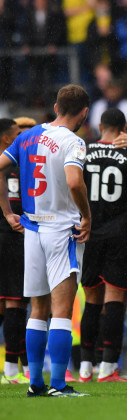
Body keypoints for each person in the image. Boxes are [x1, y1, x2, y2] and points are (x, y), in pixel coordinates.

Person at [0, 84, 91, 397]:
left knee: (37, 310)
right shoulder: (74, 142)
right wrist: (87, 215)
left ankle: (35, 384)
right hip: (60, 230)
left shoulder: (27, 136)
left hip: (32, 230)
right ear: (84, 112)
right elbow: (74, 181)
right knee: (62, 311)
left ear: (56, 107)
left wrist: (7, 211)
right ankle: (59, 385)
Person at [78, 108, 127, 383]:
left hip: (89, 232)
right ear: (123, 129)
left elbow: (71, 185)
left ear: (100, 125)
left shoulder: (82, 151)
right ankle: (107, 368)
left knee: (92, 301)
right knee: (115, 300)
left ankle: (84, 368)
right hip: (120, 232)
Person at [0, 119, 29, 385]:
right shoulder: (15, 167)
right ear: (8, 139)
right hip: (11, 238)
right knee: (14, 302)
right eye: (17, 135)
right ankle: (11, 368)